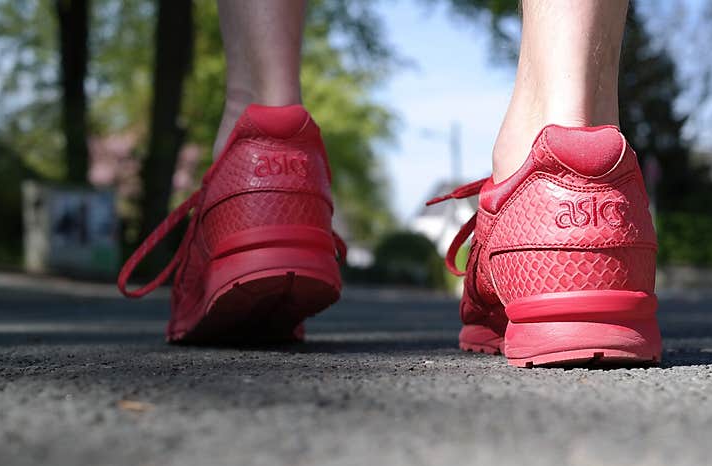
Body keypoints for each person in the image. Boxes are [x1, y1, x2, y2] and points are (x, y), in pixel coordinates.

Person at [117, 0, 661, 367]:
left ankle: (262, 137)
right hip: (603, 214)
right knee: (566, 114)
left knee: (260, 99)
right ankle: (576, 134)